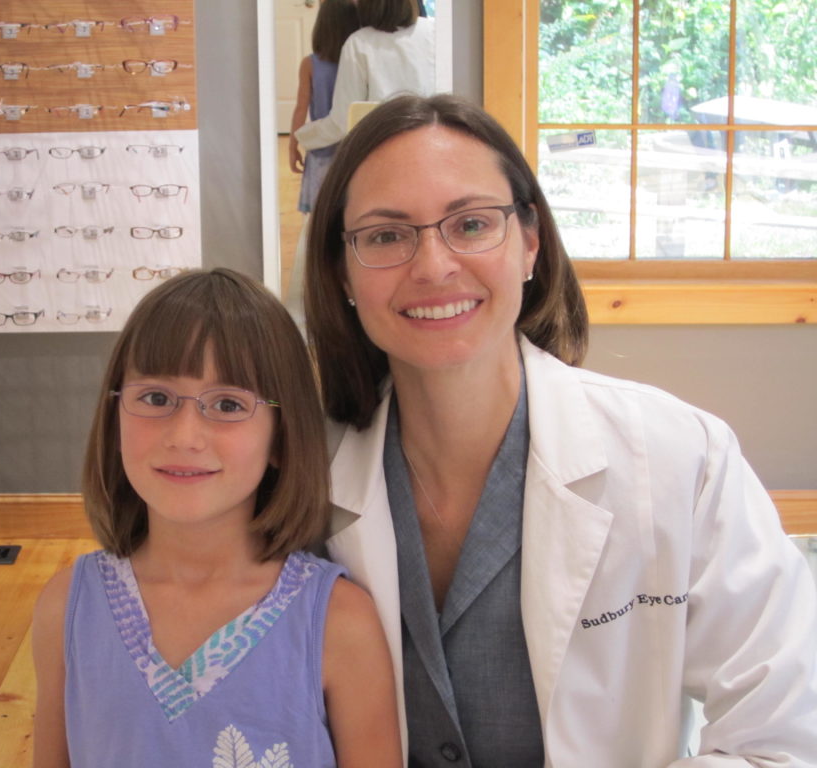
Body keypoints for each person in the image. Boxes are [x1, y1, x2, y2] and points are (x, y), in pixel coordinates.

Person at [304, 93, 817, 766]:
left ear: (530, 243)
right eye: (385, 236)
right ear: (342, 272)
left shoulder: (679, 458)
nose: (432, 266)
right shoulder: (298, 479)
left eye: (471, 223)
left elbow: (783, 736)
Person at [31, 268, 401, 767]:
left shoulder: (340, 623)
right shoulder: (67, 609)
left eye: (228, 404)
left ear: (282, 435)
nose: (184, 435)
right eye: (156, 398)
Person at [294, 0, 435, 154]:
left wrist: (301, 136)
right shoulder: (435, 30)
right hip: (432, 140)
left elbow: (343, 121)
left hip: (382, 148)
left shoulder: (359, 43)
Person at [289, 0, 360, 214]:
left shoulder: (310, 64)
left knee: (321, 213)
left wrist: (293, 145)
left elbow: (300, 108)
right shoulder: (359, 60)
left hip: (322, 150)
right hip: (353, 148)